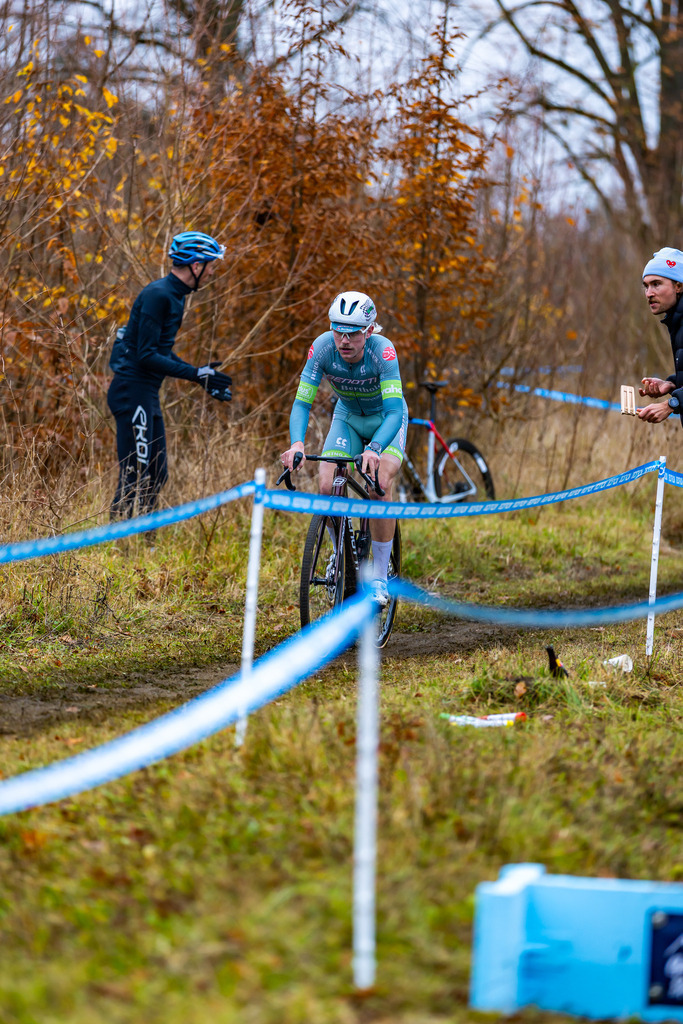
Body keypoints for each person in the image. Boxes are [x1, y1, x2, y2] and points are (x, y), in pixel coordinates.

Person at [280, 290, 407, 606]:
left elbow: (394, 412)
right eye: (338, 330)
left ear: (368, 330)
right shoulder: (322, 348)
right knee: (327, 484)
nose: (344, 340)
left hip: (386, 420)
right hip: (348, 417)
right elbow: (302, 402)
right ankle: (342, 554)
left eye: (352, 333)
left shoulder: (383, 352)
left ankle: (378, 576)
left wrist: (375, 447)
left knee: (380, 484)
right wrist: (297, 442)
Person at [107, 231, 233, 519]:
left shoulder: (176, 297)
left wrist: (204, 376)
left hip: (146, 393)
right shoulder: (158, 295)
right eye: (211, 264)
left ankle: (143, 539)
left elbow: (160, 352)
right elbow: (146, 355)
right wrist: (195, 375)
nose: (213, 271)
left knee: (156, 473)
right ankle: (117, 544)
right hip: (131, 390)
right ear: (196, 266)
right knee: (133, 474)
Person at [638, 246, 683, 425]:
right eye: (646, 286)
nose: (649, 293)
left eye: (656, 284)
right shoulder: (677, 321)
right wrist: (672, 384)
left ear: (678, 285)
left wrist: (671, 404)